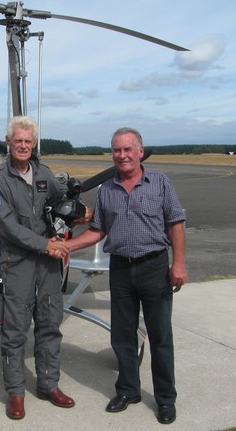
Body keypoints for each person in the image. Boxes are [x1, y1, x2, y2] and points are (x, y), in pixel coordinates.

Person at [65, 127, 187, 425]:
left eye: (127, 149)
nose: (122, 155)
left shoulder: (159, 183)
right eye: (116, 150)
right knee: (122, 335)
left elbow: (176, 223)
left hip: (154, 267)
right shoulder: (107, 190)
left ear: (140, 152)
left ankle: (165, 400)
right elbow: (98, 230)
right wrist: (65, 245)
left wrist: (179, 264)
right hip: (120, 269)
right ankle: (128, 390)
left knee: (160, 337)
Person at [0, 116, 82, 420]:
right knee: (15, 330)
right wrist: (45, 244)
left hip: (48, 264)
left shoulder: (43, 173)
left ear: (34, 143)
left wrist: (76, 210)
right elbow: (7, 226)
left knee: (51, 324)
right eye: (18, 141)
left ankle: (49, 384)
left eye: (29, 141)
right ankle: (15, 392)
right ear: (9, 142)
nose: (24, 146)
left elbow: (59, 197)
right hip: (19, 263)